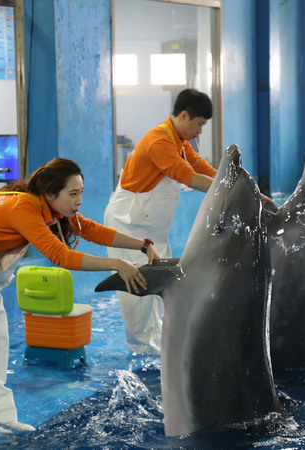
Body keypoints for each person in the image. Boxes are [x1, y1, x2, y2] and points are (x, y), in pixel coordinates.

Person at [0, 157, 160, 434]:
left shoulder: (50, 209)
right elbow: (61, 255)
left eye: (81, 192)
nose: (79, 201)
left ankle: (0, 414)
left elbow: (93, 231)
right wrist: (117, 263)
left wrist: (143, 246)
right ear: (50, 193)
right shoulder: (24, 207)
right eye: (73, 194)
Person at [103, 88, 217, 356]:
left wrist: (238, 184)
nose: (200, 131)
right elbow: (187, 176)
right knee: (137, 291)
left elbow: (201, 167)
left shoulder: (179, 142)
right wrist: (230, 191)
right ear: (184, 116)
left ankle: (155, 346)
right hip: (129, 224)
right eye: (199, 124)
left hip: (151, 230)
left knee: (157, 291)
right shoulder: (159, 141)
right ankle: (143, 353)